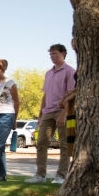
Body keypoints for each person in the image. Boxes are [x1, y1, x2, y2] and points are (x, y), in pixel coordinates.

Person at [26, 44, 76, 184]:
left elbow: (72, 95)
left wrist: (65, 113)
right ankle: (40, 175)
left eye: (54, 53)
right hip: (48, 112)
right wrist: (40, 115)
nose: (52, 56)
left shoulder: (70, 71)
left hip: (62, 111)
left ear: (63, 54)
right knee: (41, 142)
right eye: (50, 54)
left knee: (64, 144)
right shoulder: (48, 73)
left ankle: (61, 175)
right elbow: (45, 95)